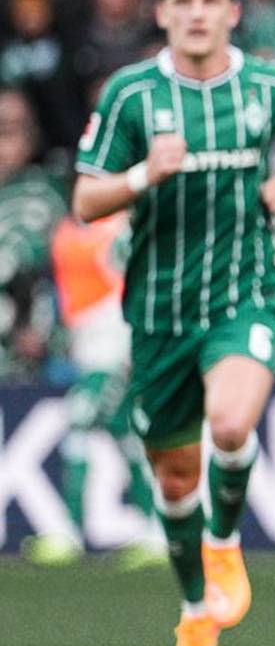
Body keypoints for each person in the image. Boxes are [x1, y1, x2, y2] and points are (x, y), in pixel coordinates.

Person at [72, 0, 275, 646]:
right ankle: (194, 610)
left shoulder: (268, 86)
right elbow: (85, 200)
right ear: (161, 13)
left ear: (232, 12)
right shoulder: (131, 96)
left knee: (230, 424)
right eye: (181, 1)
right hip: (158, 310)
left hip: (244, 289)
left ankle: (226, 541)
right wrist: (140, 174)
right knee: (175, 476)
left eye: (209, 1)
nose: (195, 14)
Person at [21, 210, 170, 571]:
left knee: (80, 419)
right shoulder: (65, 228)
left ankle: (67, 530)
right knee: (125, 433)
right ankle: (159, 533)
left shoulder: (122, 227)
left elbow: (146, 281)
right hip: (87, 345)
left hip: (115, 344)